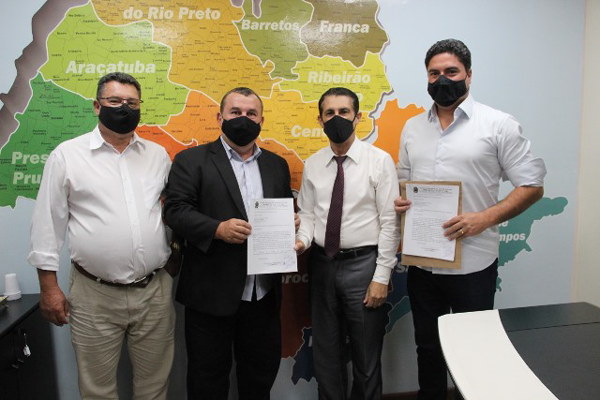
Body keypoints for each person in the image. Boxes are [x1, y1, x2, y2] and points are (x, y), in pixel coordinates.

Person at [394, 39, 547, 400]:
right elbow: (403, 181)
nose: (442, 79)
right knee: (427, 348)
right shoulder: (413, 127)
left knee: (474, 353)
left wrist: (484, 218)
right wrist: (400, 201)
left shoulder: (498, 124)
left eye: (451, 71)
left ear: (469, 75)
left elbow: (532, 186)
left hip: (474, 265)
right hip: (423, 265)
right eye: (434, 73)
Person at [28, 72, 179, 399]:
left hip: (154, 291)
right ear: (97, 106)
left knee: (155, 386)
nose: (124, 108)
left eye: (132, 103)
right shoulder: (67, 155)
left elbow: (176, 212)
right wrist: (49, 288)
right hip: (93, 294)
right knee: (97, 389)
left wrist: (174, 258)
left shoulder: (157, 155)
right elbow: (47, 225)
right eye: (114, 101)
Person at [164, 87, 295, 399]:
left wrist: (293, 221)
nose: (243, 119)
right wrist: (217, 228)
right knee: (207, 381)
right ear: (219, 117)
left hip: (262, 295)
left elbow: (285, 209)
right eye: (235, 112)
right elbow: (175, 211)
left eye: (251, 113)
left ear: (261, 120)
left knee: (259, 379)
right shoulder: (191, 160)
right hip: (210, 295)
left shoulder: (276, 164)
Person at [295, 87, 401, 400]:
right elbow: (308, 214)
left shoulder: (379, 161)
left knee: (366, 356)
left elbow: (390, 222)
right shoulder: (313, 164)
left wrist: (381, 277)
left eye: (344, 112)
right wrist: (301, 242)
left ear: (357, 117)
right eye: (329, 113)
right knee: (326, 354)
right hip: (322, 265)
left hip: (364, 267)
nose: (337, 118)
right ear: (320, 120)